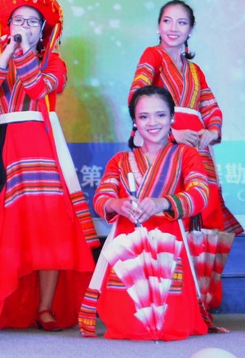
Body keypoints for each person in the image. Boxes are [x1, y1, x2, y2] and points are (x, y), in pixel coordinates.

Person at [0, 0, 98, 332]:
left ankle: (45, 307)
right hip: (6, 149)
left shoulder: (54, 63)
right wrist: (7, 53)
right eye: (18, 20)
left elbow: (38, 87)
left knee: (50, 229)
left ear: (43, 29)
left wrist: (25, 52)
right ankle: (5, 303)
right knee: (8, 228)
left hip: (41, 147)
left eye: (32, 21)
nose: (24, 26)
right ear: (7, 25)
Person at [128, 0, 243, 307]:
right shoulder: (152, 55)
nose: (173, 28)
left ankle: (202, 300)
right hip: (164, 143)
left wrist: (212, 131)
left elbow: (210, 105)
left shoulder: (194, 70)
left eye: (181, 23)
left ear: (191, 29)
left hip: (198, 148)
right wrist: (170, 132)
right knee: (171, 209)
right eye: (167, 21)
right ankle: (172, 297)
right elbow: (137, 96)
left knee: (205, 211)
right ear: (158, 26)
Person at [79, 85, 212, 340]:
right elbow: (102, 198)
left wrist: (164, 203)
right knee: (129, 325)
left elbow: (200, 194)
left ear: (172, 118)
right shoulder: (120, 161)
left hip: (168, 243)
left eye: (160, 115)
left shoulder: (187, 155)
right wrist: (117, 204)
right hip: (128, 244)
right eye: (144, 116)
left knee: (169, 325)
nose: (152, 123)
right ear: (134, 122)